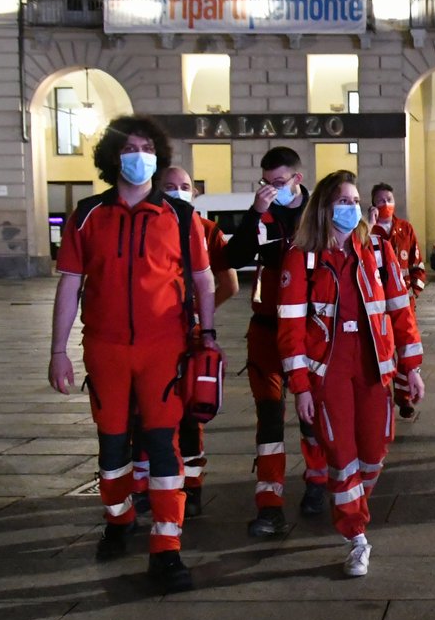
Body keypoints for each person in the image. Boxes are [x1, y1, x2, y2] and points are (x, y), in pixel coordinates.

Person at [48, 114, 219, 593]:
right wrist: (58, 350)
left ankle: (167, 547)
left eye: (147, 147)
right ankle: (119, 518)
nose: (138, 155)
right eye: (130, 147)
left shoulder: (181, 217)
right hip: (104, 349)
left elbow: (204, 280)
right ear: (112, 156)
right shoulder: (86, 215)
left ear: (157, 156)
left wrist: (207, 333)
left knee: (165, 444)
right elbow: (70, 285)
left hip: (165, 348)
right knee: (112, 445)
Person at [278, 171, 425, 577]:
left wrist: (411, 367)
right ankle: (356, 534)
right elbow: (289, 329)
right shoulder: (303, 256)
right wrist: (301, 386)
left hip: (374, 367)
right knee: (342, 458)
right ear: (325, 207)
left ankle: (350, 503)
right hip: (328, 372)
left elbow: (400, 309)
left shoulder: (376, 248)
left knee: (374, 452)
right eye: (343, 200)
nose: (352, 207)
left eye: (355, 200)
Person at [126, 166, 237, 519]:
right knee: (142, 414)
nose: (178, 192)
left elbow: (227, 283)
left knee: (190, 413)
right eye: (170, 186)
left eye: (185, 187)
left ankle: (191, 486)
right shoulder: (142, 224)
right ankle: (145, 486)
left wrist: (201, 320)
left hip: (186, 337)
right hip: (150, 337)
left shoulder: (205, 230)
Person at [221, 146, 316, 538]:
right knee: (270, 418)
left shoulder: (317, 215)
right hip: (265, 330)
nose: (272, 189)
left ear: (297, 178)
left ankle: (317, 481)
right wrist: (256, 213)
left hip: (309, 329)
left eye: (279, 182)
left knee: (313, 415)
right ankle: (270, 502)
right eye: (266, 183)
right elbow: (234, 256)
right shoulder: (262, 215)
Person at [369, 181, 427, 419]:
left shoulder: (405, 228)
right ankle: (381, 396)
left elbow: (417, 263)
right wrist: (368, 226)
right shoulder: (367, 231)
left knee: (406, 346)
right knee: (382, 349)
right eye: (381, 200)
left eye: (389, 199)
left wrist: (414, 290)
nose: (386, 204)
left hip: (404, 302)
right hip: (376, 304)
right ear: (373, 204)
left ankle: (405, 398)